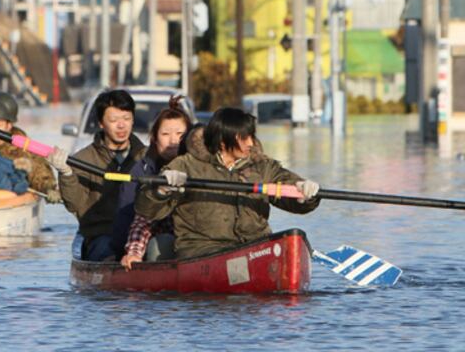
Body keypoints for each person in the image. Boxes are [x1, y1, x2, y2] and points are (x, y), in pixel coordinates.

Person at [135, 107, 321, 259]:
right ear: (223, 141)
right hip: (201, 251)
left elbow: (288, 186)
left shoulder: (263, 166)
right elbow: (146, 210)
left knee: (292, 237)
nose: (251, 143)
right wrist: (161, 189)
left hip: (254, 248)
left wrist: (305, 194)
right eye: (244, 138)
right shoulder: (186, 165)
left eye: (251, 136)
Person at [48, 89, 147, 261]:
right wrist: (66, 173)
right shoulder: (83, 159)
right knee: (106, 252)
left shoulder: (146, 157)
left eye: (126, 118)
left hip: (139, 236)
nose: (121, 125)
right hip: (101, 236)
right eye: (113, 120)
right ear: (101, 123)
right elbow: (74, 204)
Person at [115, 97, 192, 270]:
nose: (173, 141)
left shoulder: (202, 167)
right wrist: (132, 253)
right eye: (165, 134)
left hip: (197, 242)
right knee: (162, 243)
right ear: (154, 139)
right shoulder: (141, 171)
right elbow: (141, 218)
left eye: (180, 134)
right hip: (159, 242)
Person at [0, 92, 59, 202]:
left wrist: (48, 188)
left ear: (9, 125)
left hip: (9, 196)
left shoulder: (21, 148)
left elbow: (39, 170)